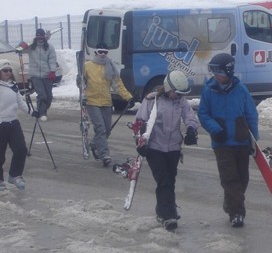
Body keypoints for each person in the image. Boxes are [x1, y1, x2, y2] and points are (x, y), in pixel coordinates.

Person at [198, 53, 259, 228]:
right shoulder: (209, 90)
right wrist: (215, 129)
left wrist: (254, 140)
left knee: (243, 179)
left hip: (241, 141)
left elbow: (251, 115)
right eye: (214, 72)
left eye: (219, 72)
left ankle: (230, 202)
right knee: (230, 178)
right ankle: (237, 213)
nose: (216, 76)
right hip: (222, 143)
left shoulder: (241, 90)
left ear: (228, 71)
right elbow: (203, 113)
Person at [134, 70, 199, 231]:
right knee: (164, 181)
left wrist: (191, 130)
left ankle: (162, 210)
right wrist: (140, 141)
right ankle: (168, 215)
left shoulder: (181, 102)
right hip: (155, 147)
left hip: (173, 148)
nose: (178, 96)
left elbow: (190, 117)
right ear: (168, 88)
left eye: (180, 94)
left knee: (170, 180)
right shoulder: (151, 101)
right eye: (176, 93)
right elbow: (140, 122)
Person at [80, 42, 134, 167]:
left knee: (107, 130)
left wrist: (128, 97)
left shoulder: (110, 66)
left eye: (105, 52)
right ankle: (105, 155)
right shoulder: (87, 66)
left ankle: (94, 144)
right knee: (100, 128)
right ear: (96, 52)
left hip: (106, 102)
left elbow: (118, 84)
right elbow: (81, 84)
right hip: (91, 102)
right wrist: (80, 83)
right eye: (100, 52)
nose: (103, 54)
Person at [0, 59, 36, 191]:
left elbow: (20, 103)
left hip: (13, 122)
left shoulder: (13, 86)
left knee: (21, 149)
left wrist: (32, 112)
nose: (8, 73)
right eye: (5, 70)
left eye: (9, 71)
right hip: (1, 123)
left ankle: (14, 175)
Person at [17, 28, 57, 121]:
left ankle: (42, 109)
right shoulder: (31, 47)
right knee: (42, 94)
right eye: (38, 36)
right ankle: (42, 113)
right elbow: (19, 50)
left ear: (44, 37)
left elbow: (52, 59)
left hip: (47, 75)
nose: (40, 38)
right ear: (36, 37)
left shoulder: (49, 47)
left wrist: (52, 71)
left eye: (41, 36)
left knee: (49, 96)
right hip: (35, 75)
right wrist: (21, 45)